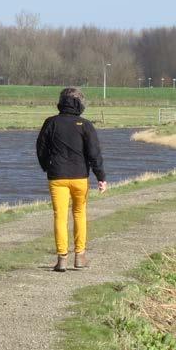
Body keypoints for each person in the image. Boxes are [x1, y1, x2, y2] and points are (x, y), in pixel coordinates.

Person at [36, 87, 107, 272]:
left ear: (61, 101)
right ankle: (80, 256)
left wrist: (46, 166)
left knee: (60, 216)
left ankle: (62, 259)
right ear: (80, 103)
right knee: (79, 214)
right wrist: (101, 177)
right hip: (80, 177)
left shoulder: (50, 123)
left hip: (56, 176)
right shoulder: (85, 125)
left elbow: (41, 149)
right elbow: (94, 153)